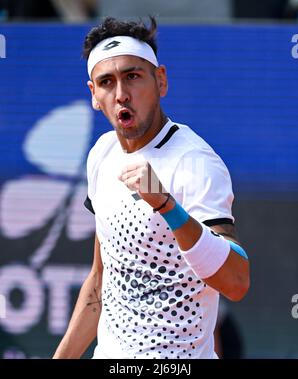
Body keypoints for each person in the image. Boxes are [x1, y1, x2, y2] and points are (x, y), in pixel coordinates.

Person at [53, 16, 250, 359]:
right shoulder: (101, 154)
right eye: (106, 82)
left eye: (133, 76)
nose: (121, 94)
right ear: (93, 95)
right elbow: (100, 282)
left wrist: (167, 206)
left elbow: (236, 281)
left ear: (161, 80)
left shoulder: (197, 161)